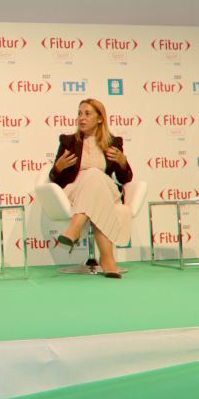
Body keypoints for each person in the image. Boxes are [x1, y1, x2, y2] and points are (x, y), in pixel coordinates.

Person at [47, 98, 133, 278]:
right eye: (79, 113)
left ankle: (74, 228)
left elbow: (125, 179)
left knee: (94, 175)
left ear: (100, 118)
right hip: (76, 191)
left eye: (87, 114)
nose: (81, 118)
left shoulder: (113, 142)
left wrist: (123, 162)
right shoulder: (68, 142)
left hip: (107, 189)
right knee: (94, 186)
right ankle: (108, 260)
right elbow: (55, 180)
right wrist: (58, 168)